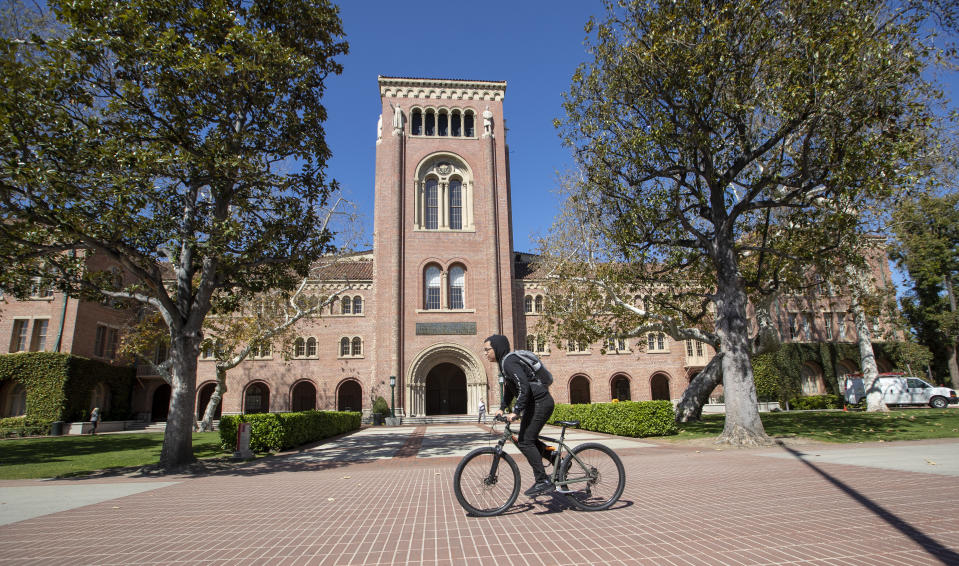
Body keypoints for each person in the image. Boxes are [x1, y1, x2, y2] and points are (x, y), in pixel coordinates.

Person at [483, 334, 555, 497]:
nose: (485, 353)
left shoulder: (508, 362)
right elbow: (510, 389)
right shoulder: (505, 364)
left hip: (541, 402)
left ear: (497, 348)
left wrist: (516, 411)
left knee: (525, 441)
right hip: (535, 403)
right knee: (528, 439)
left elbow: (523, 386)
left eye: (487, 350)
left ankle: (542, 481)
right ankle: (558, 460)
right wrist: (502, 408)